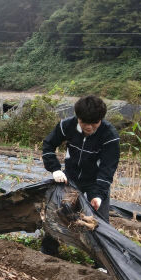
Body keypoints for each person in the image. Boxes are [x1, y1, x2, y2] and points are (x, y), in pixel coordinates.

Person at [40, 95, 120, 255]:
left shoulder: (109, 135)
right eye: (84, 122)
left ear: (101, 119)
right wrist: (55, 169)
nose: (89, 127)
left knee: (99, 222)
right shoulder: (67, 125)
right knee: (58, 212)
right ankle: (48, 251)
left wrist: (98, 195)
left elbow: (107, 168)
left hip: (94, 181)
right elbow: (48, 145)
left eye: (94, 123)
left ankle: (101, 261)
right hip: (71, 177)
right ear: (78, 117)